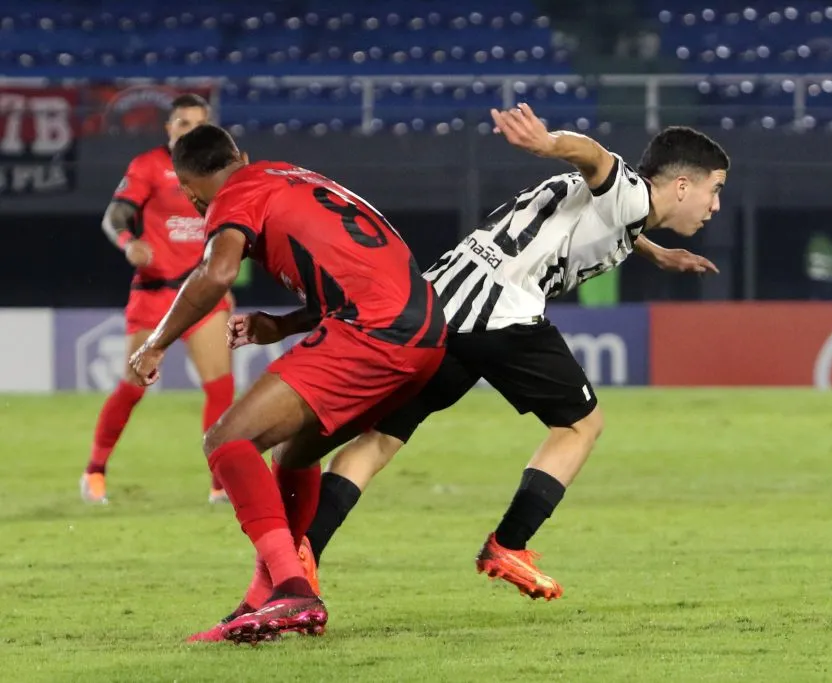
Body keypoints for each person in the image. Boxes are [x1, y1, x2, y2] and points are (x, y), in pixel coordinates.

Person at [287, 103, 728, 601]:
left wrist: (656, 251)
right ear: (683, 185)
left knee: (382, 438)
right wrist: (548, 143)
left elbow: (612, 212)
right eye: (714, 190)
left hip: (438, 307)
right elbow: (595, 156)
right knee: (582, 424)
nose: (715, 206)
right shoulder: (624, 189)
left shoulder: (620, 209)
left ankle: (302, 554)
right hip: (501, 313)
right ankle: (508, 544)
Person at [127, 124, 447, 643]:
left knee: (227, 440)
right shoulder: (290, 176)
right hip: (426, 334)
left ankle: (293, 588)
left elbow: (217, 272)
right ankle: (265, 599)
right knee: (295, 454)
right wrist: (282, 325)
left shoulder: (234, 194)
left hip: (376, 331)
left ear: (188, 190)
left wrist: (156, 342)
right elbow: (352, 270)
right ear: (241, 155)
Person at [81, 94, 235, 506]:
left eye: (198, 125)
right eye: (182, 124)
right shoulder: (148, 166)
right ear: (169, 128)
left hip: (201, 291)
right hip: (157, 292)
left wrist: (226, 282)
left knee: (221, 388)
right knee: (133, 387)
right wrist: (129, 243)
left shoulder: (219, 171)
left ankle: (220, 485)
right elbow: (114, 217)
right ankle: (95, 470)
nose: (189, 131)